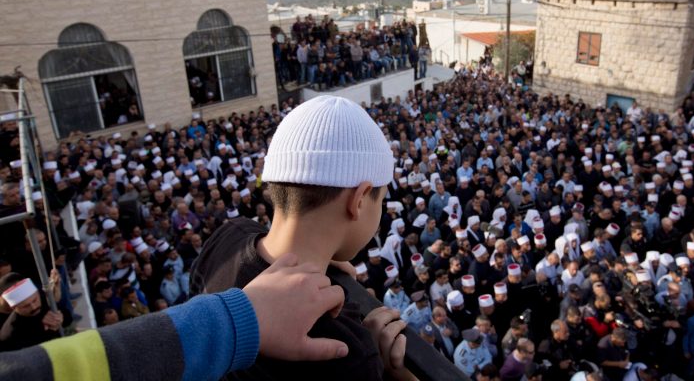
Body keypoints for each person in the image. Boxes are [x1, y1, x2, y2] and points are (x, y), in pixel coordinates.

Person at [190, 95, 415, 380]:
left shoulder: (229, 235)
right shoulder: (345, 350)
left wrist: (321, 256)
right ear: (358, 200)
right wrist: (390, 370)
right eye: (380, 199)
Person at [0, 253, 348, 381]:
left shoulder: (45, 305)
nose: (34, 308)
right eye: (26, 307)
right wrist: (235, 320)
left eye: (35, 302)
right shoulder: (10, 337)